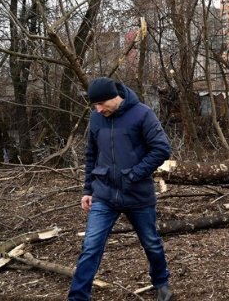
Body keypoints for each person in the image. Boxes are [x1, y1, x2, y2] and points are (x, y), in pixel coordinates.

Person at [68, 77, 173, 301]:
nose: (97, 109)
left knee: (151, 243)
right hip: (104, 194)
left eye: (101, 104)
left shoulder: (142, 114)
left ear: (115, 97)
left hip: (138, 195)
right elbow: (91, 155)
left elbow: (162, 148)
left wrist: (135, 173)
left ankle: (161, 283)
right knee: (90, 247)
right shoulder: (96, 118)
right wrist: (88, 190)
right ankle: (77, 297)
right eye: (94, 105)